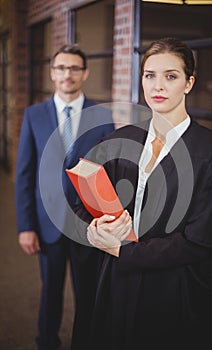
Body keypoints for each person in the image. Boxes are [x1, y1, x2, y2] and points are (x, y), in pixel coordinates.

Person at [73, 37, 212, 350]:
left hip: (171, 291)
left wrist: (125, 251)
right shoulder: (122, 139)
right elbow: (83, 205)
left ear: (188, 83)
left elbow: (203, 241)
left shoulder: (211, 151)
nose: (157, 86)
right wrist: (94, 229)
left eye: (170, 76)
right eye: (150, 75)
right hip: (117, 282)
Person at [15, 44, 115, 350]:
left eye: (74, 68)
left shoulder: (101, 114)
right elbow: (25, 173)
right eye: (60, 68)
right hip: (48, 224)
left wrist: (107, 221)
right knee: (51, 292)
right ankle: (46, 342)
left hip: (88, 225)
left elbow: (109, 171)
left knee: (87, 294)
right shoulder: (34, 115)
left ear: (84, 73)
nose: (67, 74)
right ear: (52, 72)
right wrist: (25, 226)